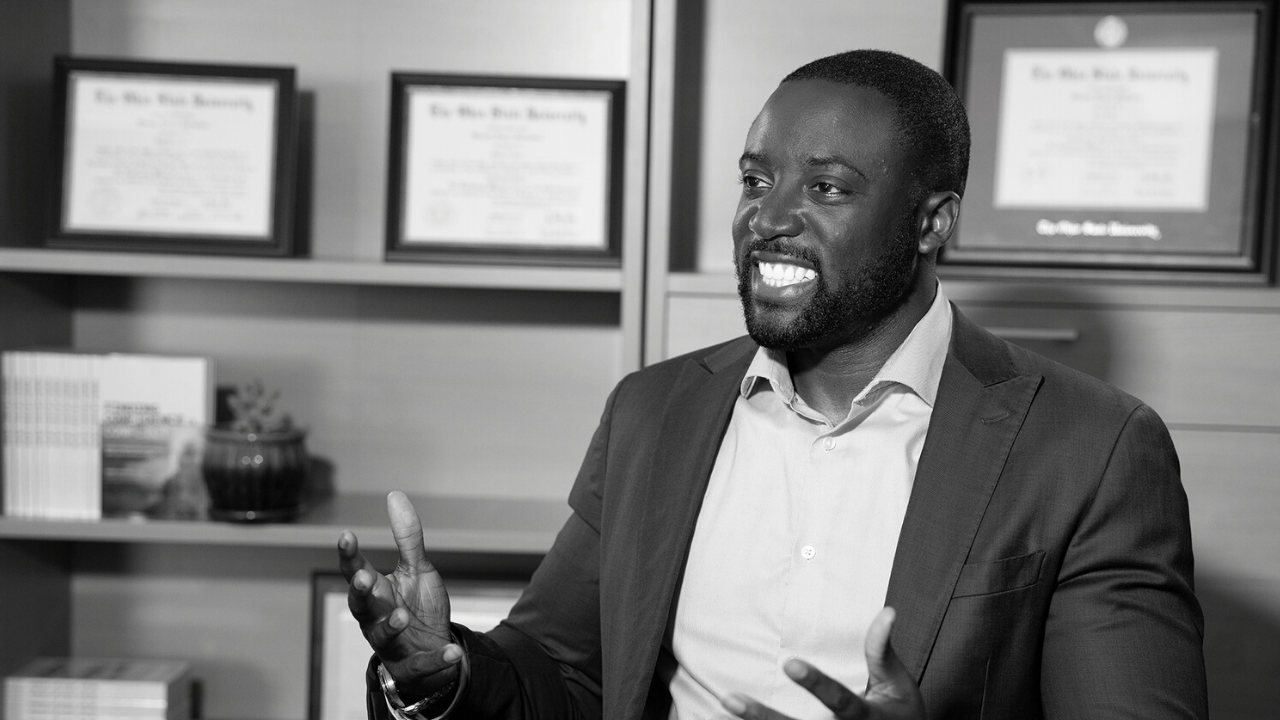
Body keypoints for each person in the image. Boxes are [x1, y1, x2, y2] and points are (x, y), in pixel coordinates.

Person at [338, 49, 1208, 720]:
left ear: (932, 222)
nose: (770, 217)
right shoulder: (655, 411)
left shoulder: (1090, 449)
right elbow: (559, 672)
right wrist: (444, 672)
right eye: (757, 179)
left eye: (826, 187)